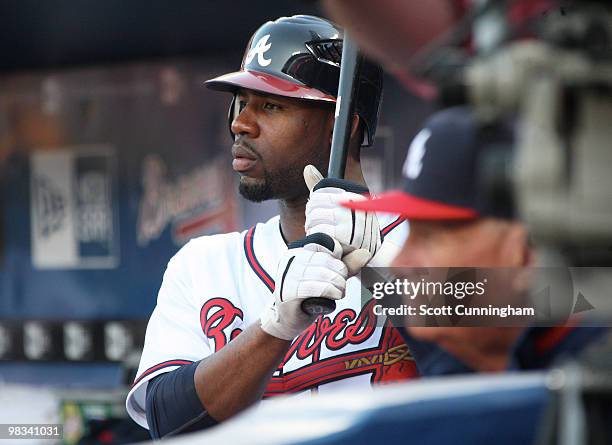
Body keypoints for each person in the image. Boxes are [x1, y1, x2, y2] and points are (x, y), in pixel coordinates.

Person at [125, 15, 418, 438]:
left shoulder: (421, 238)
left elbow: (530, 312)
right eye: (241, 102)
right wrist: (274, 328)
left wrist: (388, 271)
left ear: (342, 125)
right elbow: (167, 420)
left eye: (271, 105)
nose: (240, 124)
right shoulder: (203, 265)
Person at [343, 106, 608, 375]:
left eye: (431, 238)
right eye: (410, 231)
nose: (399, 262)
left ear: (525, 254)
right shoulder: (475, 352)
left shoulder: (597, 365)